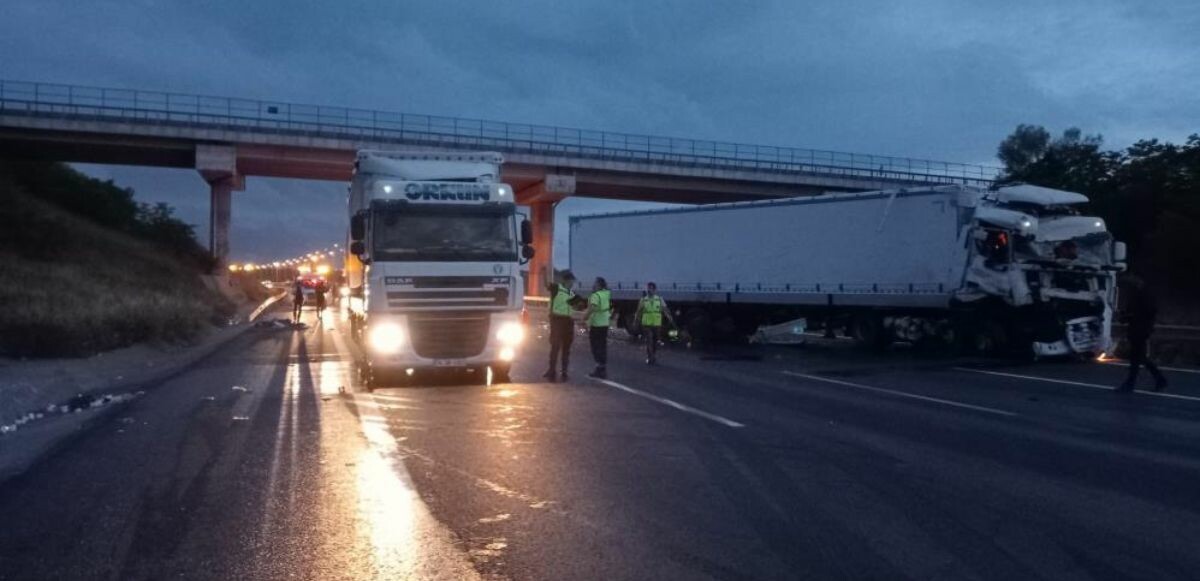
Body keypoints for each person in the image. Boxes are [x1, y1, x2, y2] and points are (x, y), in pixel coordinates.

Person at [1118, 276, 1167, 392]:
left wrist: (1131, 316)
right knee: (1139, 357)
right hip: (1137, 328)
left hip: (1141, 329)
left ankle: (1131, 384)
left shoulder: (1145, 294)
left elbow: (1148, 312)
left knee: (1136, 357)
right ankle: (1159, 379)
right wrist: (1125, 316)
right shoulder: (1136, 293)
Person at [543, 270, 577, 382]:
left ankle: (564, 371)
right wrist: (544, 273)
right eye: (571, 281)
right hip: (557, 320)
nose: (572, 283)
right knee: (555, 346)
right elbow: (546, 285)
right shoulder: (556, 288)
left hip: (568, 322)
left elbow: (574, 308)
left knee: (566, 348)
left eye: (573, 281)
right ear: (566, 281)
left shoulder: (572, 293)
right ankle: (552, 370)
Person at [634, 282, 675, 365]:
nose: (649, 290)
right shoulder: (643, 300)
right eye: (648, 288)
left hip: (656, 324)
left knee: (655, 341)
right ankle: (651, 357)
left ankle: (652, 355)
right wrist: (636, 321)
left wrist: (670, 317)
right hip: (646, 323)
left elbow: (665, 309)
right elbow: (639, 311)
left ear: (654, 290)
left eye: (651, 288)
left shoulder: (659, 299)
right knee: (649, 340)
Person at [583, 277, 612, 379]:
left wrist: (584, 318)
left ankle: (599, 369)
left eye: (595, 283)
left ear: (599, 285)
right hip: (605, 323)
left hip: (596, 324)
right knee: (602, 346)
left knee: (595, 347)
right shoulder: (606, 294)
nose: (593, 285)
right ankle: (602, 369)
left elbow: (592, 308)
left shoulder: (595, 295)